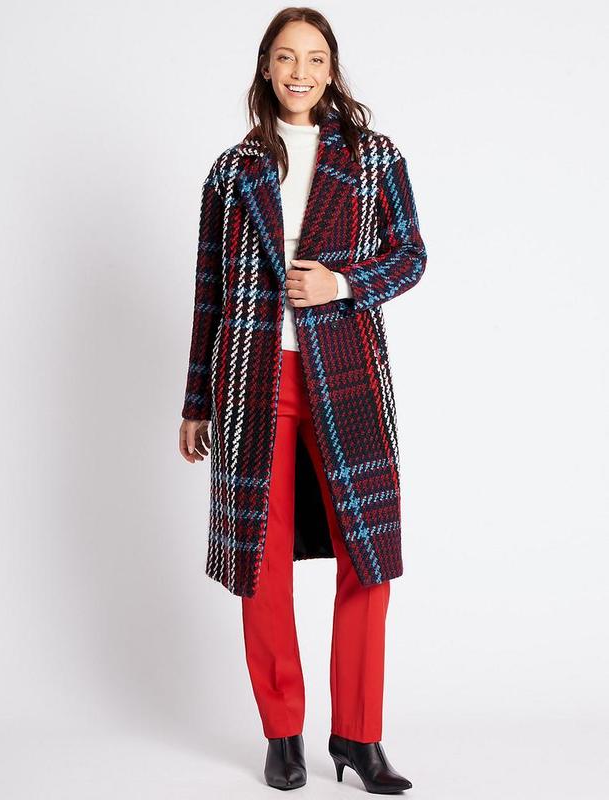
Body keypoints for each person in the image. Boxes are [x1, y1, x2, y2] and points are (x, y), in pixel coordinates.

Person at [178, 7, 427, 793]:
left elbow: (411, 255)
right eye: (286, 57)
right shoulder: (233, 170)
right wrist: (195, 400)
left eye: (314, 58)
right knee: (260, 563)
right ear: (266, 67)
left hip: (347, 377)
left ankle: (359, 737)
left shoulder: (373, 157)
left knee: (369, 558)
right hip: (253, 382)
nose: (300, 72)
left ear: (331, 69)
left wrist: (342, 283)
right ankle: (282, 733)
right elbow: (210, 291)